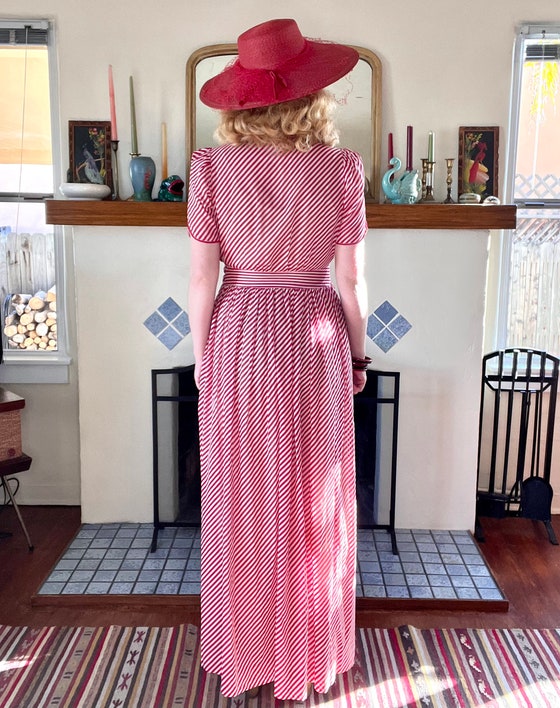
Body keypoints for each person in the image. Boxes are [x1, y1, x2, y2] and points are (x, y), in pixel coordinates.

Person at [187, 18, 370, 702]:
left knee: (243, 496)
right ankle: (306, 651)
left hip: (239, 335)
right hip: (315, 335)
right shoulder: (341, 169)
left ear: (242, 99)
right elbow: (351, 283)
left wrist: (203, 357)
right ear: (310, 93)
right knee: (313, 499)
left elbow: (202, 280)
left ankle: (249, 651)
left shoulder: (210, 169)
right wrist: (357, 354)